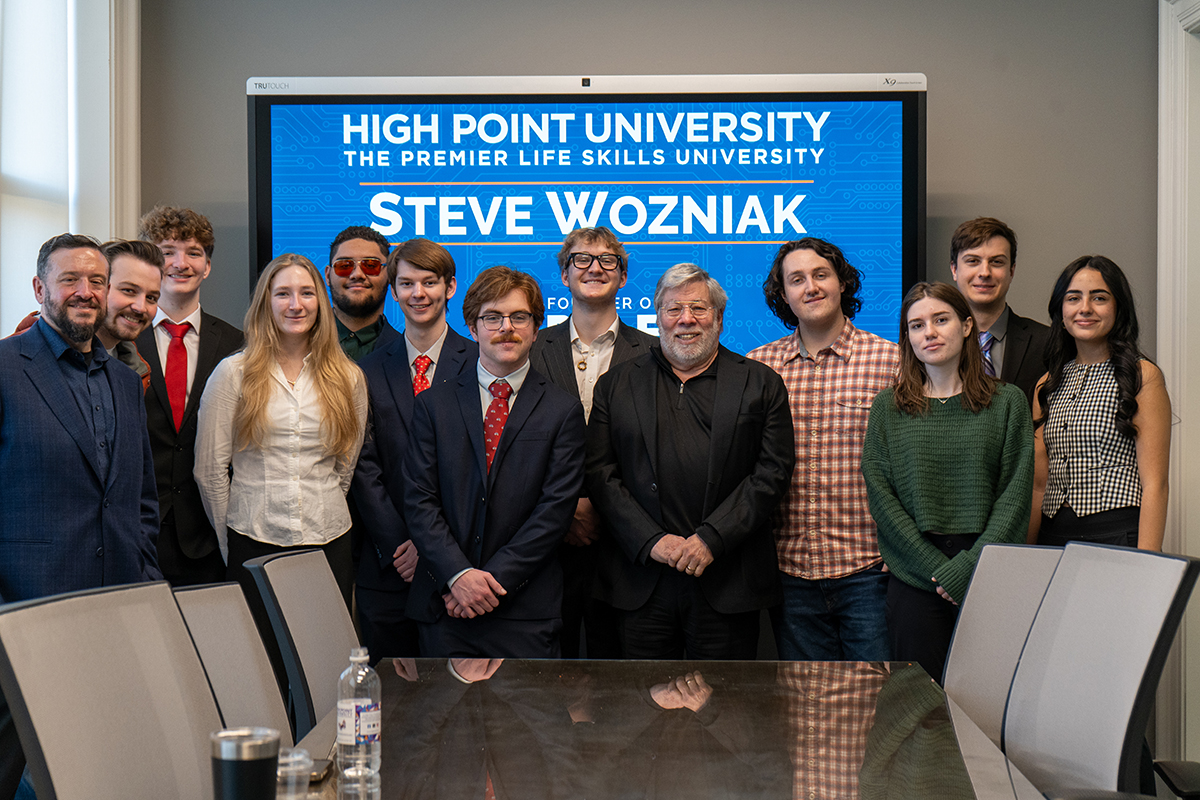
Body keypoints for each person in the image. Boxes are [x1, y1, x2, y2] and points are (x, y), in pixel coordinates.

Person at [0, 233, 162, 797]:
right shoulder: (3, 368)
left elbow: (140, 498)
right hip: (23, 609)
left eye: (96, 281)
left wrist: (144, 583)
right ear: (40, 288)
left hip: (114, 604)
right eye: (71, 279)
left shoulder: (125, 380)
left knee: (97, 764)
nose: (86, 292)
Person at [587, 263, 795, 660]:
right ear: (658, 317)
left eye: (699, 309)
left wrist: (709, 540)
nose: (686, 320)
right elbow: (600, 474)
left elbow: (771, 474)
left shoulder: (760, 382)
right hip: (640, 579)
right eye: (673, 309)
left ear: (719, 318)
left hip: (727, 578)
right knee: (641, 712)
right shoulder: (617, 384)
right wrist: (653, 542)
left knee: (723, 712)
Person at [403, 265, 586, 658]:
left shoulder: (562, 410)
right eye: (493, 317)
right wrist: (459, 576)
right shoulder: (433, 405)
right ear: (472, 327)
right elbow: (419, 501)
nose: (507, 327)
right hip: (445, 605)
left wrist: (487, 583)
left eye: (519, 317)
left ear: (536, 328)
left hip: (525, 612)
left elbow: (554, 513)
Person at [862, 282, 1033, 683]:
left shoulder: (1008, 402)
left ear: (967, 325)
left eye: (941, 320)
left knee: (985, 706)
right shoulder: (888, 407)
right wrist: (940, 571)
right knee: (918, 712)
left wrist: (969, 568)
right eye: (917, 325)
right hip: (914, 576)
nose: (930, 333)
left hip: (986, 570)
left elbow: (1014, 498)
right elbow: (882, 498)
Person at [748, 237, 898, 661]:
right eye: (796, 280)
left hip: (868, 569)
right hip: (789, 572)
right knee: (806, 712)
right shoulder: (758, 368)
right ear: (783, 295)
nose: (810, 287)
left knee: (876, 708)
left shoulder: (892, 361)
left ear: (843, 284)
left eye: (820, 275)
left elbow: (913, 465)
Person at [194, 253, 367, 606]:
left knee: (324, 653)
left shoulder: (348, 377)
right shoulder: (233, 373)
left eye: (306, 293)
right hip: (252, 538)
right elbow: (209, 471)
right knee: (262, 653)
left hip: (329, 538)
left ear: (321, 300)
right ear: (265, 303)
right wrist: (230, 543)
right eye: (282, 294)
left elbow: (345, 465)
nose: (295, 305)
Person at [528, 226, 656, 659]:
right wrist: (567, 508)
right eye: (581, 259)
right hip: (544, 539)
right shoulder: (528, 347)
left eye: (608, 260)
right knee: (546, 682)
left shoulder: (657, 352)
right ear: (564, 275)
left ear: (623, 276)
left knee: (620, 683)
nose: (594, 267)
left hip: (628, 542)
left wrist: (605, 508)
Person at [352, 238, 478, 659]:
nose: (418, 294)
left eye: (429, 282)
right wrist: (398, 544)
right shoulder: (365, 370)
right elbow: (362, 465)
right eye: (406, 284)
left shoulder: (481, 362)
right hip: (389, 567)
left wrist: (434, 548)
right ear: (393, 291)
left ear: (451, 287)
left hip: (458, 566)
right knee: (390, 701)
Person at [1030, 256, 1171, 551]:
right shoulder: (1047, 384)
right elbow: (1038, 487)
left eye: (1099, 298)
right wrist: (1024, 554)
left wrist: (1146, 562)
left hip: (1117, 535)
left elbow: (1155, 485)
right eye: (1073, 298)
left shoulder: (1142, 376)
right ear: (1061, 310)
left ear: (1118, 308)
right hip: (1053, 537)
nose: (1085, 308)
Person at [137, 206, 243, 586]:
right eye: (167, 251)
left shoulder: (236, 344)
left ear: (208, 266)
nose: (180, 263)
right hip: (138, 532)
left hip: (208, 535)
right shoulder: (122, 337)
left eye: (193, 252)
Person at [948, 217, 1050, 402]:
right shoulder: (932, 343)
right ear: (954, 269)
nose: (984, 273)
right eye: (972, 261)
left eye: (996, 262)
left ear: (1011, 271)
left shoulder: (1046, 343)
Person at [95, 239, 164, 391]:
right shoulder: (41, 357)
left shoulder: (135, 369)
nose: (140, 308)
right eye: (129, 290)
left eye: (151, 298)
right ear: (97, 287)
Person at [325, 225, 400, 361]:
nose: (357, 274)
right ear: (328, 275)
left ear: (389, 274)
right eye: (344, 266)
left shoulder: (407, 355)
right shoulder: (298, 345)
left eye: (371, 265)